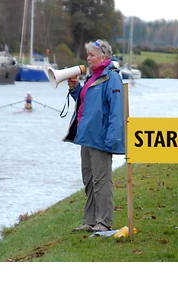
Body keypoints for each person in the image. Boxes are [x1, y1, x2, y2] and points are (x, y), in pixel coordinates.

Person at [64, 39, 125, 232]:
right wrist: (75, 89)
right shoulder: (93, 77)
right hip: (86, 137)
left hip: (100, 139)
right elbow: (86, 102)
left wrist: (112, 139)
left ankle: (104, 222)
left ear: (103, 57)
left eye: (91, 55)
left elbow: (116, 111)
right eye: (88, 55)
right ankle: (89, 221)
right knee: (89, 180)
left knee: (102, 181)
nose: (88, 58)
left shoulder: (111, 78)